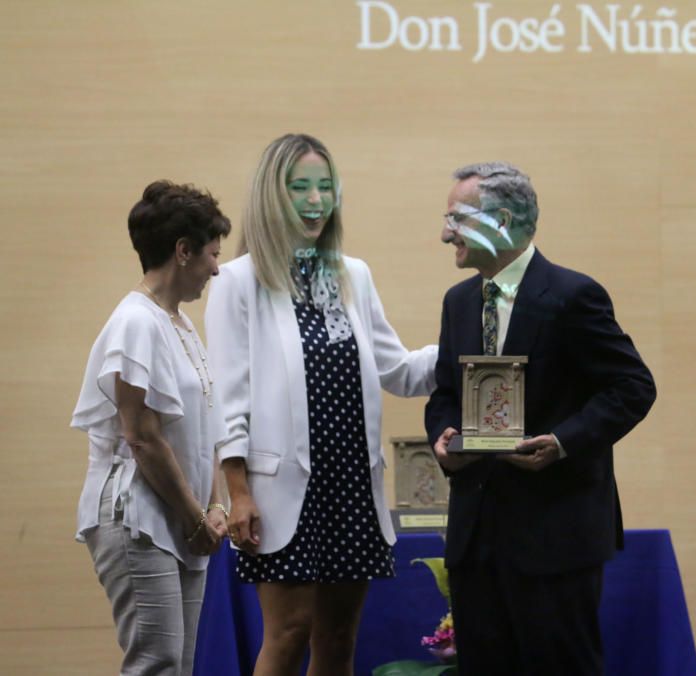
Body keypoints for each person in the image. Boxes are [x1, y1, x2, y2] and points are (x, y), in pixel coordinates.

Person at [205, 133, 437, 676]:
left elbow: (397, 369)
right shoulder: (238, 281)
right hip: (282, 486)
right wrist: (237, 492)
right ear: (271, 195)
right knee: (287, 634)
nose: (315, 200)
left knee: (338, 638)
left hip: (352, 481)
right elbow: (228, 399)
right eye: (300, 187)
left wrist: (466, 348)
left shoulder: (351, 273)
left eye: (325, 187)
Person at [424, 162, 657, 675]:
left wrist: (564, 440)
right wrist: (442, 441)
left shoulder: (574, 297)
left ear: (502, 221)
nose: (445, 234)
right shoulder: (459, 302)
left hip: (555, 537)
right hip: (476, 539)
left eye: (457, 219)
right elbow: (444, 394)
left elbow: (633, 387)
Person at [71, 180, 233, 675]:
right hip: (138, 512)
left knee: (178, 665)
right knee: (156, 663)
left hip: (180, 515)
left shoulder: (179, 323)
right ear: (183, 252)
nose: (216, 267)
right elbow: (141, 437)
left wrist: (216, 505)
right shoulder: (135, 322)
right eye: (210, 253)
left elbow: (202, 427)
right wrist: (194, 518)